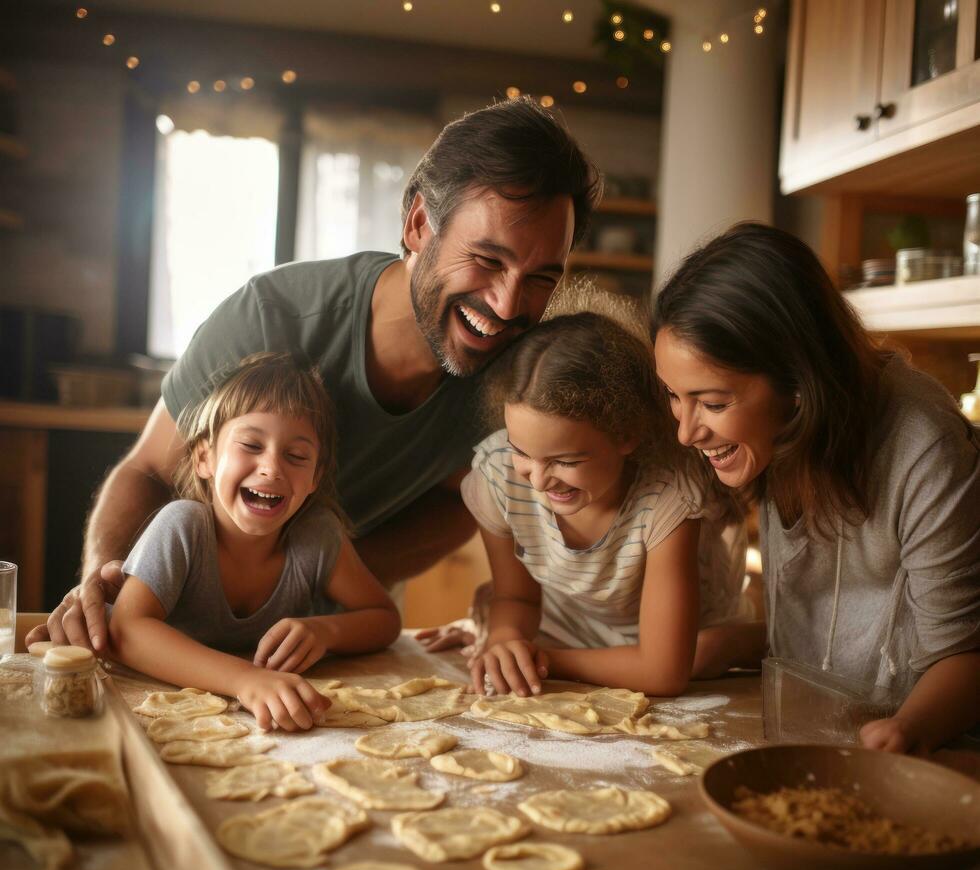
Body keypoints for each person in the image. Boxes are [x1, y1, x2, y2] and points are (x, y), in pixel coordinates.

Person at [30, 96, 601, 654]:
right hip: (172, 622)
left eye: (540, 278)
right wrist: (98, 585)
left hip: (327, 634)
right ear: (420, 224)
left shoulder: (518, 376)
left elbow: (462, 500)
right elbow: (150, 469)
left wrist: (319, 578)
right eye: (488, 260)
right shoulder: (269, 316)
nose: (507, 306)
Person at [652, 222, 980, 753]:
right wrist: (733, 643)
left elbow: (961, 656)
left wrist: (905, 732)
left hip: (935, 751)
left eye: (712, 403)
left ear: (799, 384)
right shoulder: (783, 428)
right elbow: (858, 629)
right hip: (827, 727)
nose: (686, 431)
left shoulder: (925, 448)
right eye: (674, 395)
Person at [443, 312, 758, 698]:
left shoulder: (667, 496)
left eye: (567, 461)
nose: (539, 481)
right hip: (579, 620)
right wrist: (505, 642)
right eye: (521, 451)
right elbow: (516, 597)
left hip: (683, 636)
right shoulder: (500, 476)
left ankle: (756, 636)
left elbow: (663, 673)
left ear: (626, 436)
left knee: (705, 655)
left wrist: (545, 659)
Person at [109, 353, 401, 732]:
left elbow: (384, 620)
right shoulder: (183, 526)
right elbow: (126, 630)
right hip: (153, 717)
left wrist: (325, 631)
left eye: (296, 456)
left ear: (315, 477)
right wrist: (245, 680)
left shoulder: (317, 537)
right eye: (250, 445)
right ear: (204, 458)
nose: (272, 468)